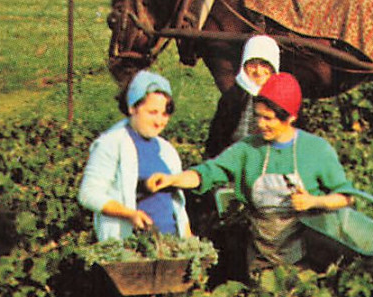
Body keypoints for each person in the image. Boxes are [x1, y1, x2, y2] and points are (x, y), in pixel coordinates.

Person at [144, 72, 354, 274]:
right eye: (258, 116)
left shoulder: (316, 150)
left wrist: (312, 202)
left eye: (268, 119)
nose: (260, 124)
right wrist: (174, 179)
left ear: (291, 117)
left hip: (308, 259)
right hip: (261, 256)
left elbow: (346, 197)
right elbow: (208, 172)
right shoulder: (249, 149)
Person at [78, 70, 192, 240]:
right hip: (132, 247)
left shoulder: (167, 150)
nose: (159, 121)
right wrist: (129, 214)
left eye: (165, 113)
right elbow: (88, 194)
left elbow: (178, 204)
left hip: (171, 245)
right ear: (132, 107)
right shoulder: (111, 143)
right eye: (152, 112)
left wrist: (189, 240)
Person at [205, 33, 280, 156]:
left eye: (265, 64)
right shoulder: (231, 97)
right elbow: (215, 143)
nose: (258, 71)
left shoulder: (283, 99)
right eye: (252, 64)